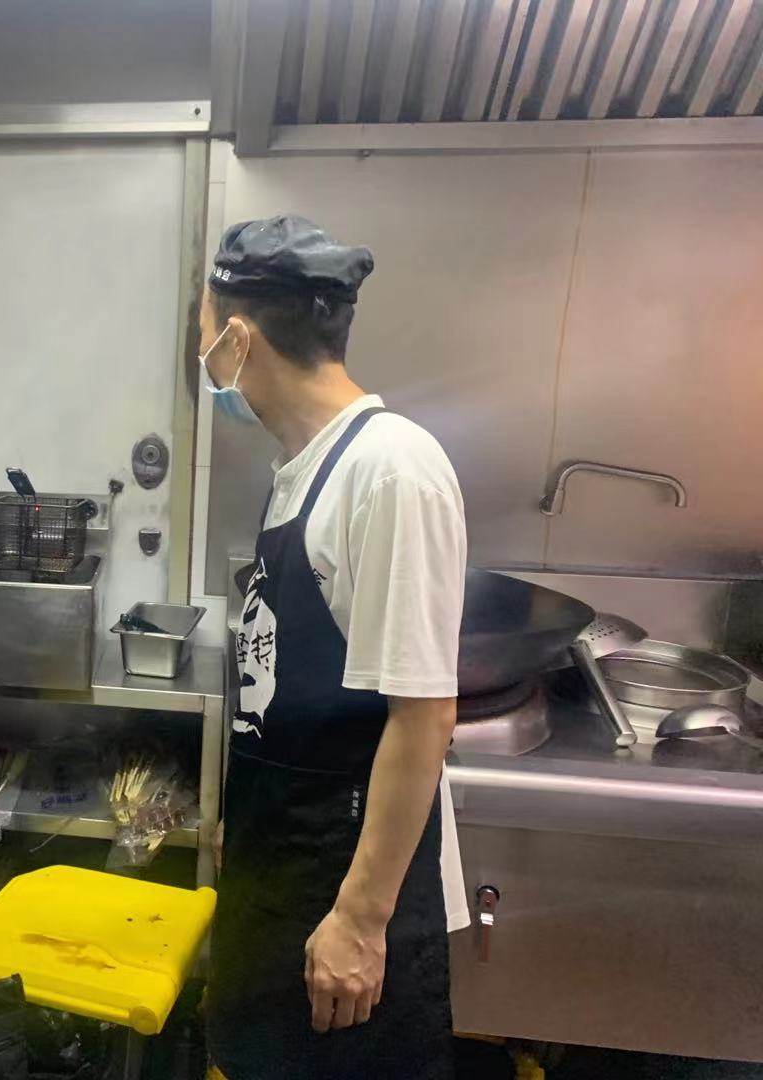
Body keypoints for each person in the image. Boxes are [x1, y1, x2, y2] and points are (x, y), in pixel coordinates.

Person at [202, 216, 469, 1080]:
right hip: (282, 865)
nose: (203, 357)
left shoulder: (389, 469)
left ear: (238, 339)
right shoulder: (302, 468)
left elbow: (423, 716)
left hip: (339, 887)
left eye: (204, 335)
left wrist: (359, 920)